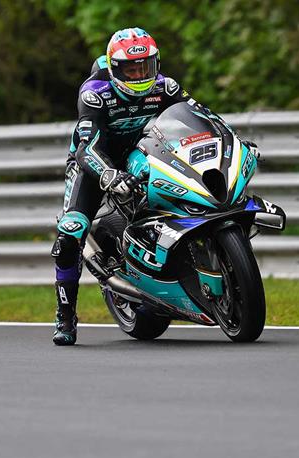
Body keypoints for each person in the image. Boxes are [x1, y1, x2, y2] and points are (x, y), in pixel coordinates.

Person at [50, 27, 194, 345]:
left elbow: (198, 116)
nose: (140, 74)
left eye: (145, 66)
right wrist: (108, 176)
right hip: (95, 162)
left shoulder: (166, 86)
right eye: (131, 69)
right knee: (70, 232)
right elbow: (85, 147)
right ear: (116, 69)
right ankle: (65, 316)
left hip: (141, 154)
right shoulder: (94, 93)